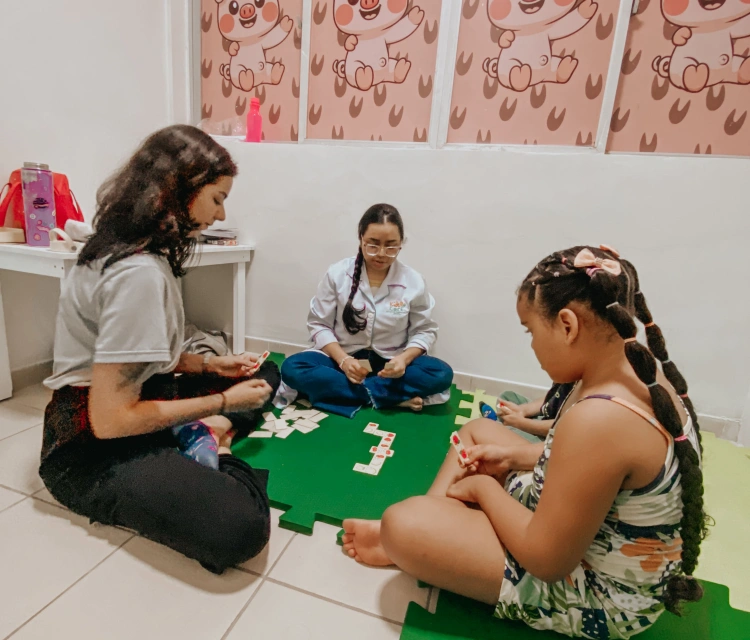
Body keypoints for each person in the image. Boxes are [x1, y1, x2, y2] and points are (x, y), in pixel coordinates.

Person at [341, 245, 707, 639]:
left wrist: (483, 489)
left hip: (596, 591)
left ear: (568, 325)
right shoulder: (639, 373)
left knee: (402, 524)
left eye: (530, 331)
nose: (531, 344)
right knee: (476, 432)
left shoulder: (600, 420)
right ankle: (436, 536)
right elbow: (588, 471)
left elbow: (548, 561)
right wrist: (513, 454)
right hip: (583, 531)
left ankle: (421, 542)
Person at [39, 125, 280, 574]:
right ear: (179, 190)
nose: (221, 213)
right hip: (88, 449)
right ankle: (217, 434)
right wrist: (224, 401)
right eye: (217, 197)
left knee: (266, 375)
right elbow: (110, 422)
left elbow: (132, 356)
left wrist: (208, 363)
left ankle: (206, 428)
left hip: (138, 395)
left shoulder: (134, 252)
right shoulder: (138, 274)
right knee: (240, 528)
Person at [278, 204, 453, 418]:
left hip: (389, 366)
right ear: (361, 238)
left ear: (401, 244)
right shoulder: (337, 274)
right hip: (342, 361)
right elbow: (319, 325)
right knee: (292, 367)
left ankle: (354, 395)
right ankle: (388, 398)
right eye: (373, 245)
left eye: (391, 247)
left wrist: (404, 359)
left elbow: (424, 330)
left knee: (441, 373)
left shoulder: (413, 281)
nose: (381, 254)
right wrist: (343, 360)